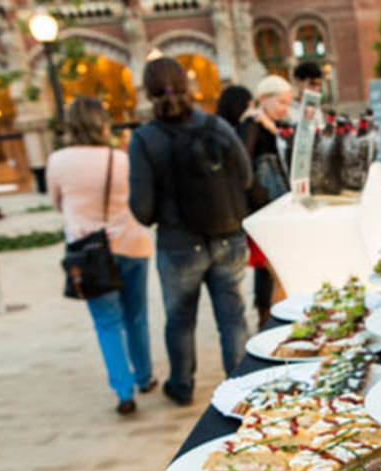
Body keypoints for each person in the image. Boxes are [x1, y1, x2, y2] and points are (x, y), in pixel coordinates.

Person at [128, 57, 253, 405]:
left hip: (179, 244)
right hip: (228, 237)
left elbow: (141, 209)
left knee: (180, 319)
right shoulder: (216, 126)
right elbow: (245, 177)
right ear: (187, 84)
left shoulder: (144, 139)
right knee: (232, 317)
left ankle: (182, 385)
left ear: (148, 91)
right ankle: (241, 388)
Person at [48, 97, 154, 414]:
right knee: (136, 316)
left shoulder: (57, 161)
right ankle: (145, 376)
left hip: (88, 253)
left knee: (107, 322)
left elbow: (57, 204)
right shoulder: (120, 159)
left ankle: (124, 392)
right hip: (131, 244)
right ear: (103, 123)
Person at [238, 76, 294, 328]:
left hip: (278, 204)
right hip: (263, 208)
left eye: (287, 102)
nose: (285, 107)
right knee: (267, 268)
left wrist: (273, 128)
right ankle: (267, 321)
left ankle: (273, 318)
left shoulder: (277, 125)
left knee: (276, 265)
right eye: (280, 101)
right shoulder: (250, 125)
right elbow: (243, 165)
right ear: (264, 98)